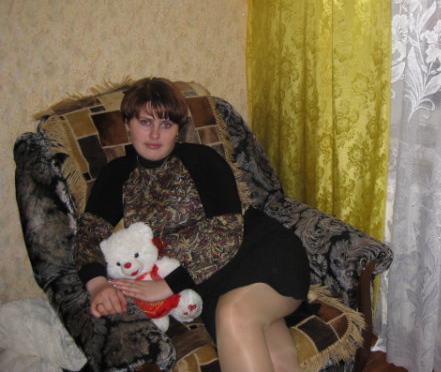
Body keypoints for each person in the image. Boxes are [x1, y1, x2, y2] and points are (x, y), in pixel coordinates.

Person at [74, 77, 311, 372]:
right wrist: (97, 284)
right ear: (127, 125)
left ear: (178, 128)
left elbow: (225, 232)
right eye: (145, 122)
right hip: (209, 285)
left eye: (166, 124)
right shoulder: (116, 175)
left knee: (234, 314)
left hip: (261, 254)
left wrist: (167, 285)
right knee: (275, 356)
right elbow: (89, 232)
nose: (155, 134)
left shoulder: (201, 160)